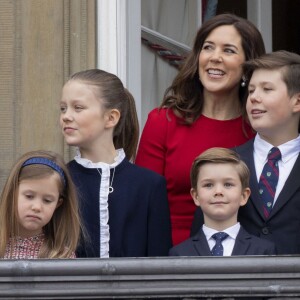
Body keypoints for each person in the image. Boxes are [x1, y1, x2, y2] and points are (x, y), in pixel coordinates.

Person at [135, 13, 266, 245]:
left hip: (241, 259)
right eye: (208, 47)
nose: (215, 57)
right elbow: (143, 204)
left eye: (228, 50)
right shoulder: (162, 122)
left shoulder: (260, 129)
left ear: (248, 66)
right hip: (170, 257)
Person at [192, 50, 300, 254]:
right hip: (236, 282)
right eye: (251, 91)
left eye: (267, 89)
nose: (254, 98)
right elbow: (199, 242)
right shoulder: (225, 162)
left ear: (297, 102)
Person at [60, 69, 172, 258]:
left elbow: (160, 265)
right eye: (63, 108)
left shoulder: (149, 185)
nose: (66, 116)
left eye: (78, 108)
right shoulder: (59, 179)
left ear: (111, 117)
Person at [169, 147, 276, 256]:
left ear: (244, 195)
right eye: (208, 185)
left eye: (228, 184)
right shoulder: (179, 253)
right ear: (196, 196)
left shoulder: (263, 250)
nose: (218, 191)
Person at [0, 150, 81, 259]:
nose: (37, 207)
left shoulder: (62, 256)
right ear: (12, 193)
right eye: (29, 196)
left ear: (58, 204)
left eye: (47, 200)